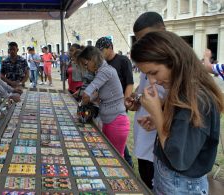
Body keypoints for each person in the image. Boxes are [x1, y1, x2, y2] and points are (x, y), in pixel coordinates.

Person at [131, 30, 224, 194]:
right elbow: (182, 130)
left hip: (181, 186)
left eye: (154, 73)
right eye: (147, 75)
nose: (152, 81)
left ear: (174, 61)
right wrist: (164, 119)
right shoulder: (183, 90)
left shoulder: (197, 99)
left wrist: (157, 115)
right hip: (169, 179)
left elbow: (178, 157)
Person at [124, 11, 166, 189]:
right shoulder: (148, 60)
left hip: (162, 146)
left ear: (162, 31)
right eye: (139, 40)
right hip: (145, 136)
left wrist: (156, 107)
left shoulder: (173, 63)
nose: (153, 80)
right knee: (146, 180)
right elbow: (146, 92)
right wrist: (137, 100)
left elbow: (169, 98)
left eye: (155, 73)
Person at [78, 46, 130, 157]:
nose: (86, 68)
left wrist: (82, 105)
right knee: (109, 155)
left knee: (116, 158)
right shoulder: (103, 70)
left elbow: (87, 93)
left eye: (86, 64)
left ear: (93, 59)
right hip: (109, 120)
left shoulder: (105, 71)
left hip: (116, 121)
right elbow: (96, 94)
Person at [96, 37, 134, 167]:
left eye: (102, 50)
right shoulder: (103, 65)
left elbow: (129, 83)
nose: (100, 54)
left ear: (110, 47)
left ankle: (128, 165)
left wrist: (124, 103)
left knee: (118, 141)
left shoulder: (123, 60)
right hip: (106, 108)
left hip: (119, 108)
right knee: (112, 140)